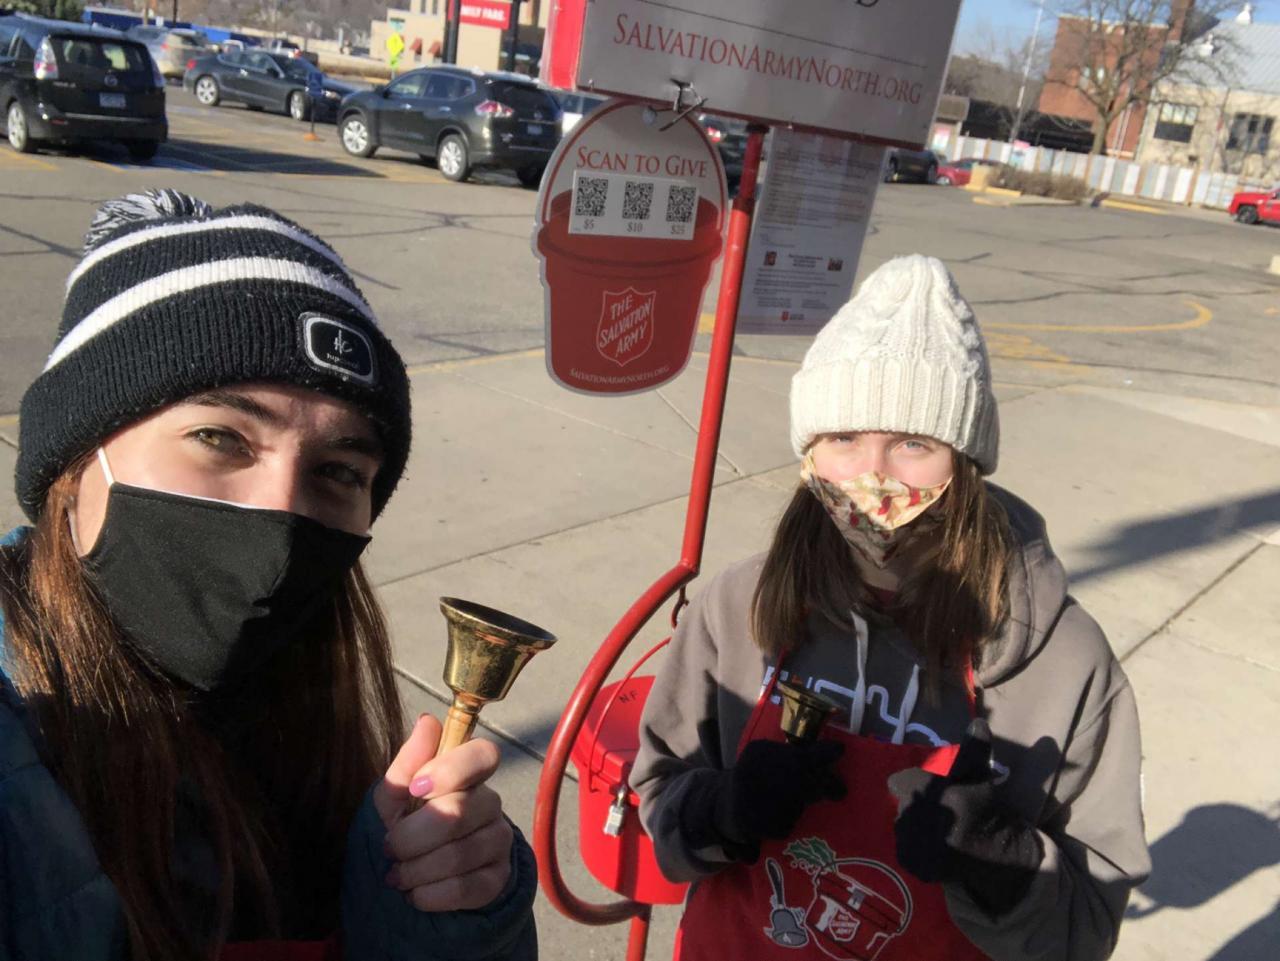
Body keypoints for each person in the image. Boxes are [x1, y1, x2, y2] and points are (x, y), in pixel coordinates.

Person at [0, 190, 537, 961]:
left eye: (338, 470)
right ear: (77, 460)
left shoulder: (314, 719)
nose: (280, 518)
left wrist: (442, 919)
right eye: (219, 437)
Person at [631, 255, 1151, 961]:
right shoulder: (738, 606)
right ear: (809, 451)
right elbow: (657, 800)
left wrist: (1004, 861)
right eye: (844, 437)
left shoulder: (1064, 661)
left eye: (912, 443)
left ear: (966, 462)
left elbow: (1085, 929)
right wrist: (718, 811)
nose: (872, 474)